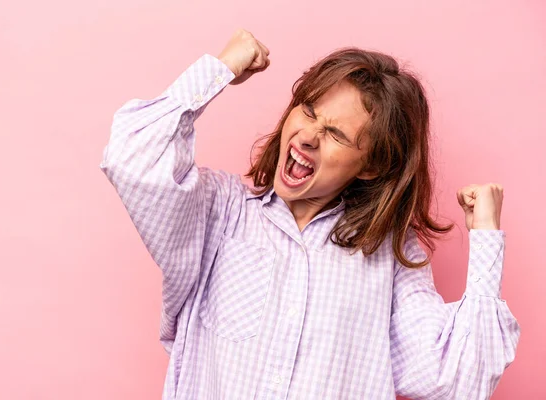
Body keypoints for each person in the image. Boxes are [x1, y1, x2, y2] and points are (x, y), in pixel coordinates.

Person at [99, 28, 520, 399]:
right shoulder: (218, 212)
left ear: (371, 165)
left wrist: (485, 236)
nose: (308, 136)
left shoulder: (389, 257)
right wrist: (219, 69)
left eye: (336, 133)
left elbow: (459, 380)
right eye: (308, 111)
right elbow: (130, 158)